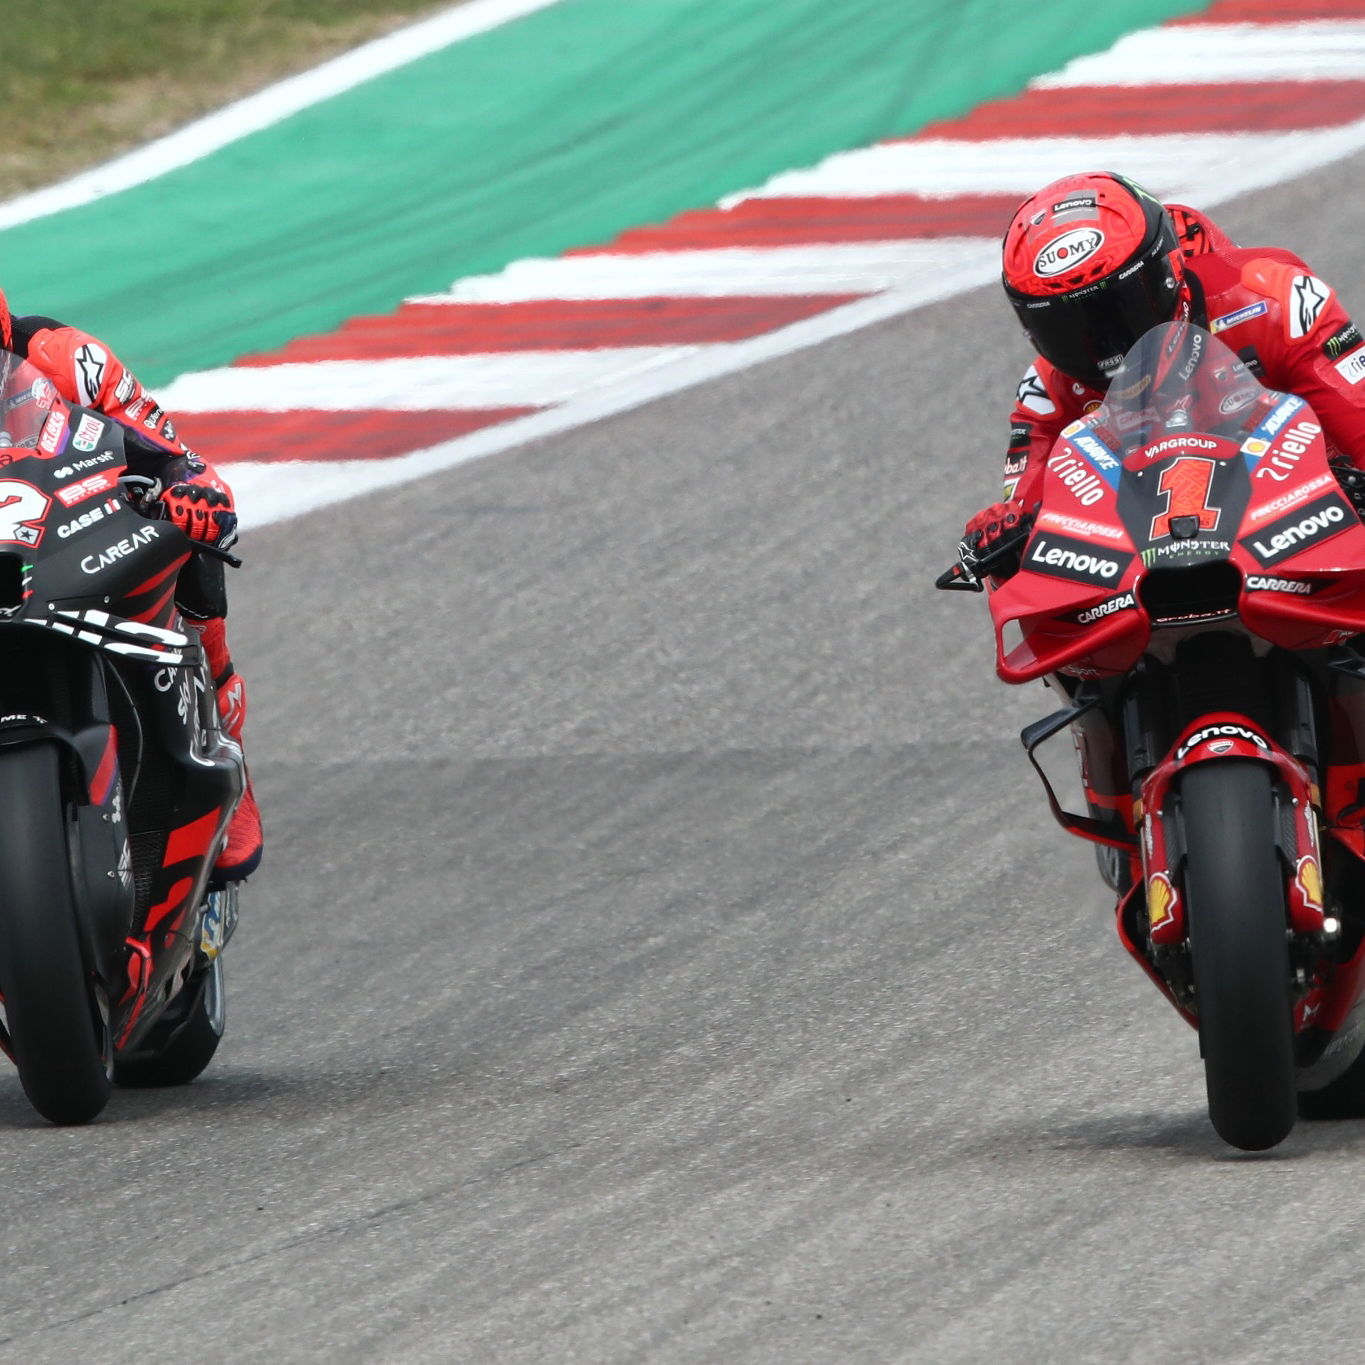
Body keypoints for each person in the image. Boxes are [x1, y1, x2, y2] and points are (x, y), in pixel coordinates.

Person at [962, 171, 1365, 563]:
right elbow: (1023, 515)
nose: (1105, 343)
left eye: (1121, 310)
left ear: (1169, 272)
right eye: (1068, 328)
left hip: (1316, 524)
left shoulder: (1274, 303)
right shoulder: (1047, 388)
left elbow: (1358, 418)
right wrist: (997, 534)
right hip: (1151, 563)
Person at [0, 289, 262, 883]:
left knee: (188, 539)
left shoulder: (64, 356)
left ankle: (225, 735)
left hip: (60, 542)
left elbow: (176, 457)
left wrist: (190, 491)